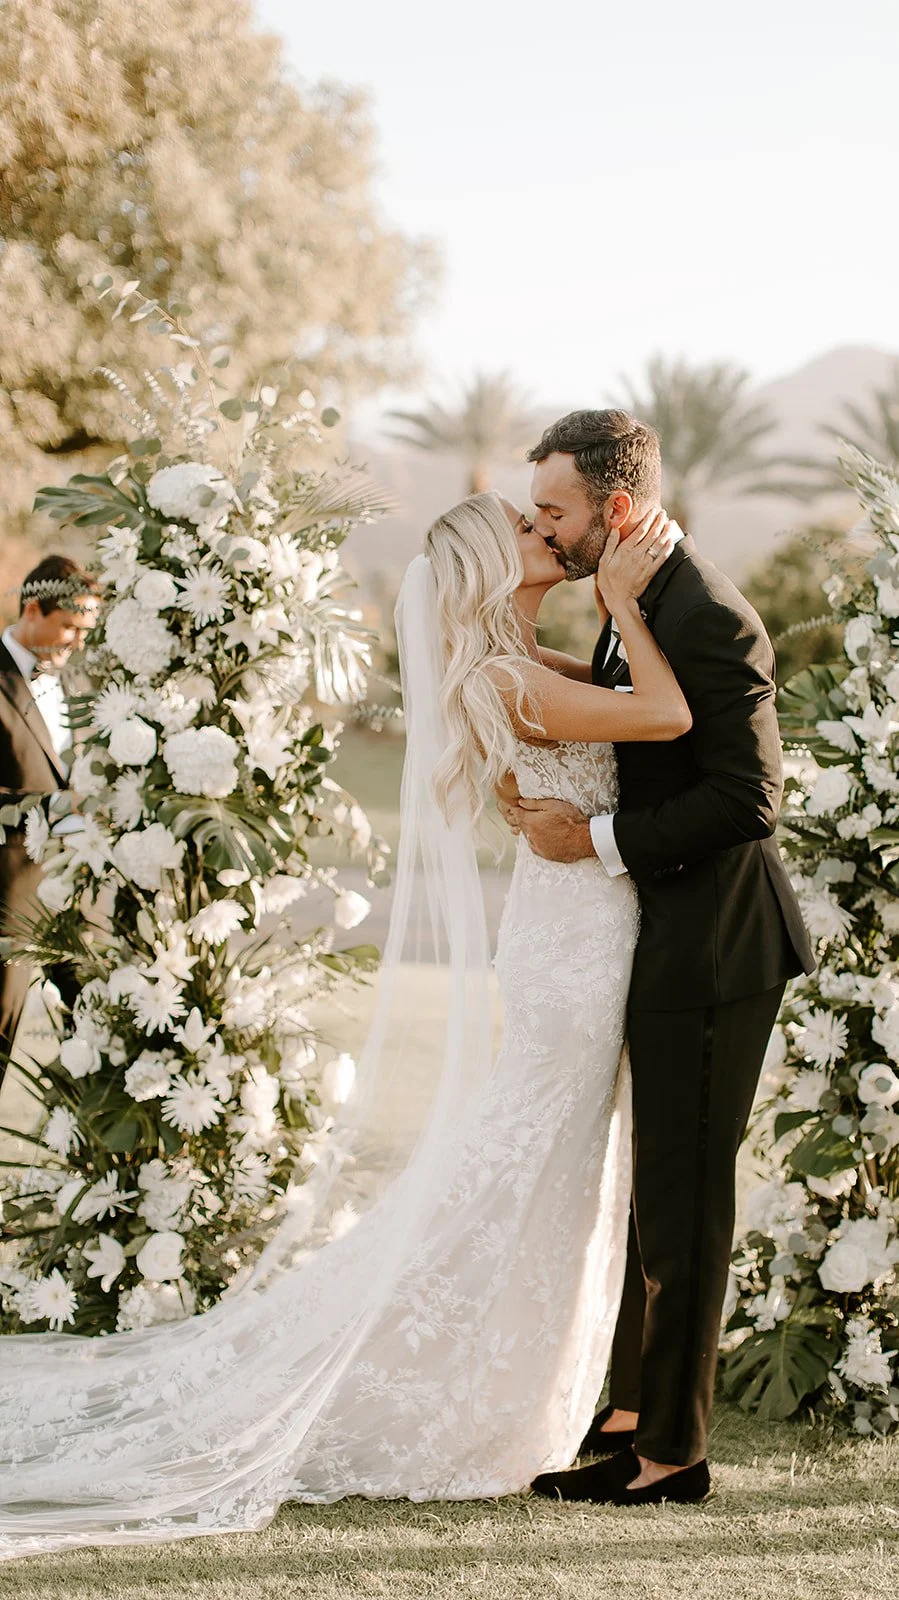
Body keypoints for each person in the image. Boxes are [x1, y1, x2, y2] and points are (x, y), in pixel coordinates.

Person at [0, 491, 697, 1562]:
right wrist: (627, 605)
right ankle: (452, 1389)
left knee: (538, 1173)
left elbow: (622, 704)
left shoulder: (519, 661)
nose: (544, 535)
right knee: (530, 1169)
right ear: (482, 568)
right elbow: (662, 715)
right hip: (573, 956)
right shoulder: (506, 675)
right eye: (524, 529)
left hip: (576, 939)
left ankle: (526, 1387)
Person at [502, 410, 815, 1505]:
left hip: (717, 949)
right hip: (662, 942)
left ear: (615, 509)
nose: (540, 524)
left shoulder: (710, 616)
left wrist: (584, 840)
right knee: (655, 1186)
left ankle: (670, 1453)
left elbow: (749, 800)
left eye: (554, 510)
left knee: (685, 1197)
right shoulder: (634, 602)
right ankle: (628, 1410)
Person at [0, 556, 99, 1083]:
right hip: (7, 896)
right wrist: (57, 810)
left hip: (69, 896)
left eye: (86, 630)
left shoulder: (72, 685)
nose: (77, 642)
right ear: (33, 609)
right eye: (70, 627)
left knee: (95, 1022)